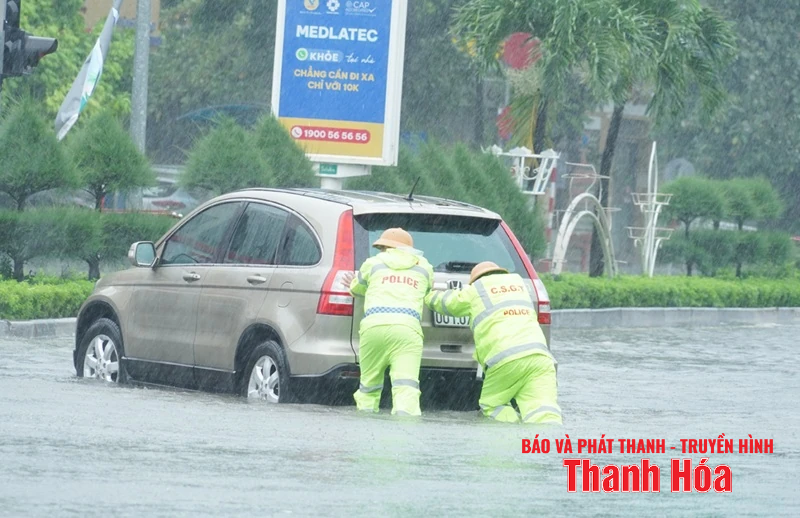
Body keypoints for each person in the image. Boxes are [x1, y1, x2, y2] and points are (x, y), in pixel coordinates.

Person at [425, 261, 562, 425]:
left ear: (476, 279)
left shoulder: (477, 290)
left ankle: (511, 435)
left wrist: (426, 293)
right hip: (540, 359)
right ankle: (543, 446)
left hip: (505, 359)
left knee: (492, 406)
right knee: (544, 412)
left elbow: (447, 303)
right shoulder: (521, 286)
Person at [343, 228, 434, 416]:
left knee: (369, 386)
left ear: (384, 247)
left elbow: (358, 288)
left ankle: (365, 426)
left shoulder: (373, 263)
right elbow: (425, 292)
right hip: (407, 329)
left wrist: (353, 284)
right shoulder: (424, 267)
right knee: (406, 387)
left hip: (373, 327)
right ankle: (404, 434)